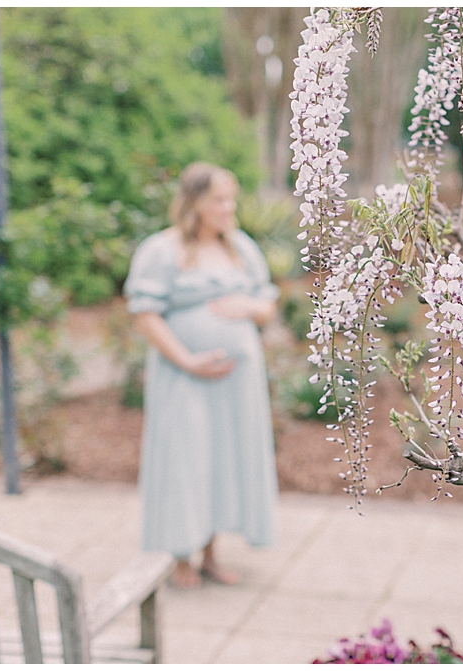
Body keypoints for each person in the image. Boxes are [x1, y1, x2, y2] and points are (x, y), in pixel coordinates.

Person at [123, 162, 279, 589]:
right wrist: (187, 360)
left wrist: (247, 308)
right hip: (184, 377)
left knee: (221, 459)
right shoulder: (162, 250)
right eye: (218, 199)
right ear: (194, 203)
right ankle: (180, 559)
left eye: (232, 198)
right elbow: (144, 314)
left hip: (236, 382)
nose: (228, 207)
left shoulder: (241, 248)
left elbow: (266, 303)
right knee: (184, 460)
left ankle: (211, 553)